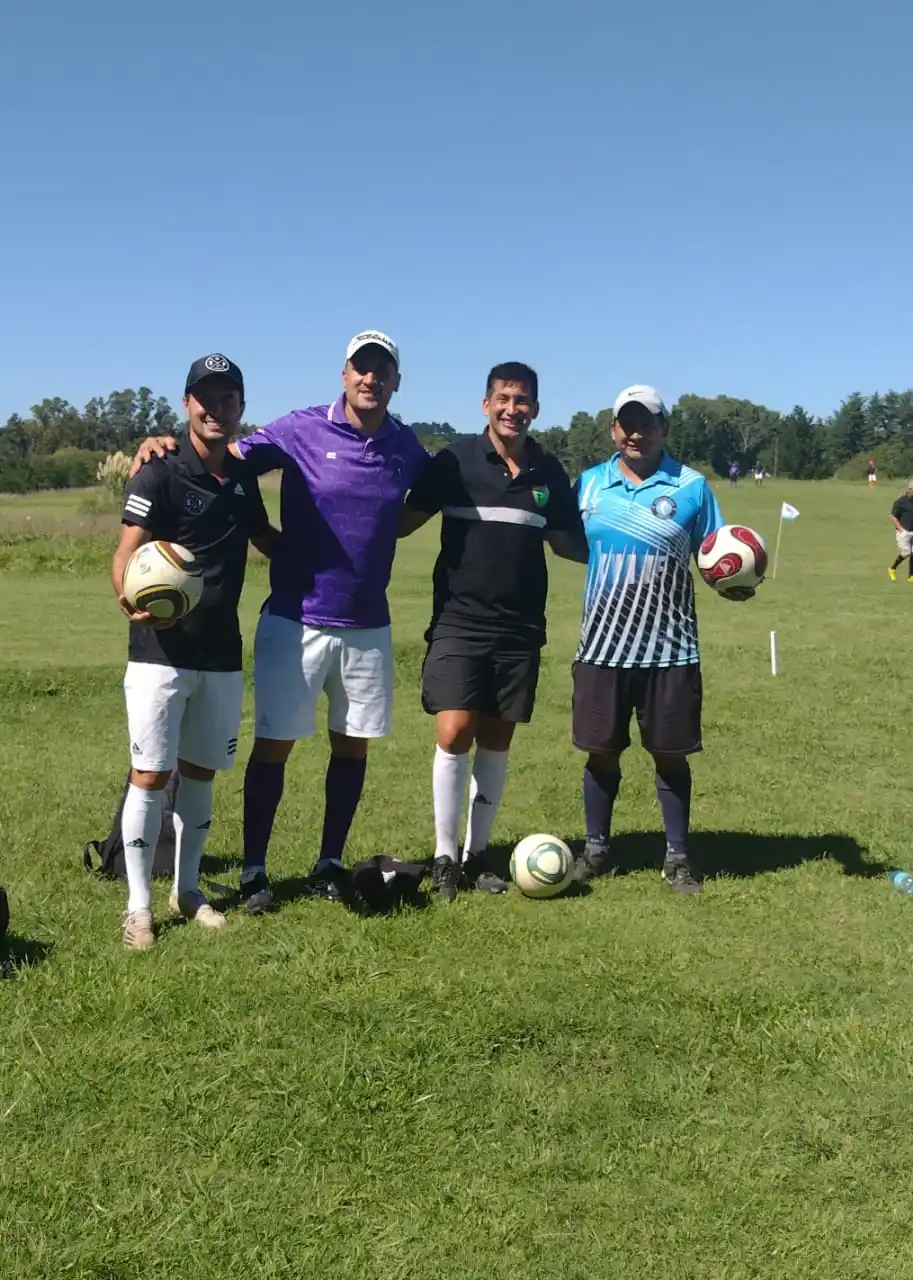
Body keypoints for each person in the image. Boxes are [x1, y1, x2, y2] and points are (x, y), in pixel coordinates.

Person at [131, 331, 429, 913]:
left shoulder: (408, 447)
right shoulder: (300, 428)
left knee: (352, 748)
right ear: (344, 374)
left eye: (382, 370)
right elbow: (224, 455)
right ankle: (254, 871)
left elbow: (426, 499)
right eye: (361, 368)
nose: (371, 378)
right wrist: (163, 445)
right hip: (298, 617)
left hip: (368, 623)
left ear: (396, 381)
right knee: (274, 746)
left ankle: (329, 864)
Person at [398, 362, 585, 900]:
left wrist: (624, 556)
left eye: (522, 400)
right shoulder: (455, 461)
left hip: (520, 627)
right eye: (503, 398)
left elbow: (568, 542)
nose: (512, 408)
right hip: (459, 620)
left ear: (535, 409)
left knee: (497, 739)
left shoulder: (548, 471)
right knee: (454, 730)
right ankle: (443, 855)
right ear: (485, 405)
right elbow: (403, 521)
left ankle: (479, 855)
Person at [113, 354, 275, 949]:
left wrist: (333, 551)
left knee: (201, 775)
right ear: (187, 404)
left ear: (239, 408)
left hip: (221, 655)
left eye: (228, 398)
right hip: (159, 652)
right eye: (205, 397)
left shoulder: (240, 478)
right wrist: (125, 595)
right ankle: (138, 907)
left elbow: (266, 541)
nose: (216, 408)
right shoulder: (157, 470)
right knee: (151, 775)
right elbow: (125, 552)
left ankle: (188, 891)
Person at [570, 385, 753, 896]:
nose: (635, 432)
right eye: (626, 422)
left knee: (670, 755)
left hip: (670, 649)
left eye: (646, 422)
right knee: (600, 753)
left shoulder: (693, 487)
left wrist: (734, 585)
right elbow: (563, 544)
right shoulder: (588, 485)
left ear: (663, 429)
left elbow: (717, 554)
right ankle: (597, 848)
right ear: (612, 430)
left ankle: (677, 858)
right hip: (601, 646)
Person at [888, 479, 913, 581]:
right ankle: (892, 568)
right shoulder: (901, 502)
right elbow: (892, 516)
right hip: (903, 531)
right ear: (910, 490)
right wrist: (900, 528)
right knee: (906, 552)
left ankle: (911, 576)